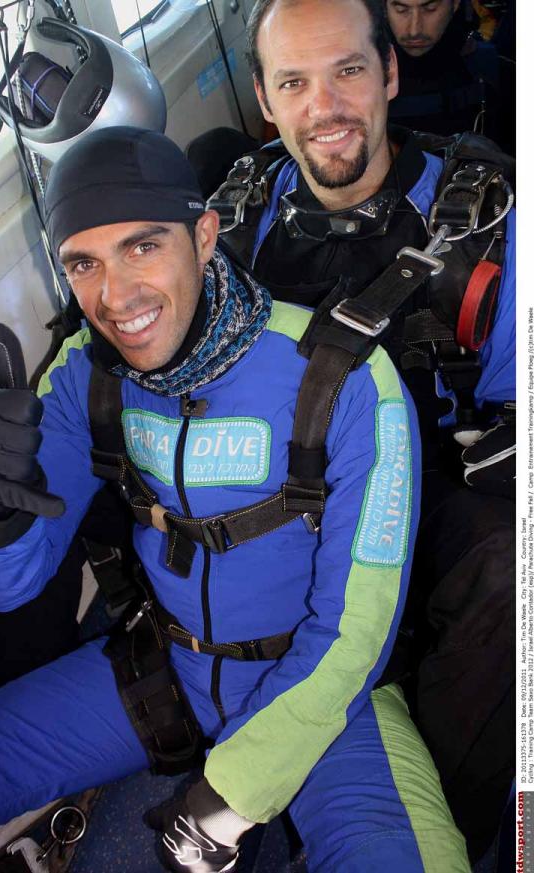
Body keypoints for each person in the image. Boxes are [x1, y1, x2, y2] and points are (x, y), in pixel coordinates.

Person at [0, 126, 470, 873]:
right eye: (84, 262)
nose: (116, 296)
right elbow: (7, 586)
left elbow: (356, 632)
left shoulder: (344, 378)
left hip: (325, 693)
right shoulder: (87, 373)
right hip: (167, 669)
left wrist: (233, 794)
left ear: (205, 236)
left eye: (143, 246)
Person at [195, 0, 515, 859]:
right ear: (265, 99)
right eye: (295, 82)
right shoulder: (233, 220)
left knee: (508, 564)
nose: (325, 107)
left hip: (428, 481)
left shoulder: (487, 218)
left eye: (347, 71)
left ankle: (438, 805)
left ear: (390, 74)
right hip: (280, 485)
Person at [385, 0, 514, 153]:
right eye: (401, 10)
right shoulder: (365, 75)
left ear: (455, 3)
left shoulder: (498, 73)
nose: (414, 30)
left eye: (430, 9)